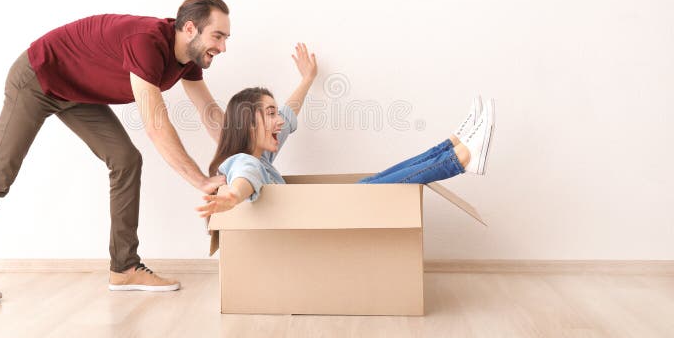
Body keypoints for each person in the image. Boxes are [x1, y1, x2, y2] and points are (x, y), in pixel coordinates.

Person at [0, 0, 231, 304]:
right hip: (36, 78)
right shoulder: (147, 43)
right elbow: (156, 124)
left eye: (226, 37)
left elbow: (209, 111)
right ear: (190, 29)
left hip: (76, 92)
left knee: (125, 159)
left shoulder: (186, 59)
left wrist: (242, 156)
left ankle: (125, 268)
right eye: (217, 36)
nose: (223, 47)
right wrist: (201, 181)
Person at [196, 43, 495, 218]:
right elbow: (243, 182)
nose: (280, 121)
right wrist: (233, 197)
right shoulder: (247, 164)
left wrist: (307, 79)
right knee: (369, 187)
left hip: (328, 214)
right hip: (326, 222)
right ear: (249, 124)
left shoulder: (260, 158)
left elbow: (288, 113)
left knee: (373, 181)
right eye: (270, 114)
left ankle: (454, 145)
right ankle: (462, 158)